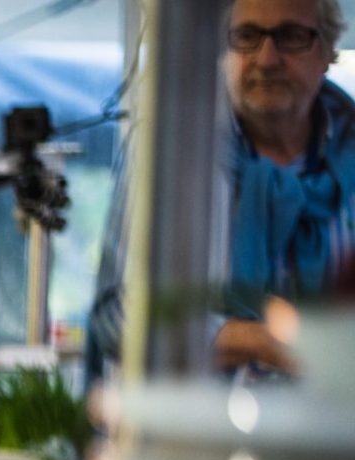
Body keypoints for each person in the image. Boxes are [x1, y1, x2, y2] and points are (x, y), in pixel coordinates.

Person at [89, 0, 353, 378]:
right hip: (197, 429)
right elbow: (117, 317)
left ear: (329, 50)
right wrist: (262, 342)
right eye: (245, 36)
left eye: (292, 37)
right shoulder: (172, 153)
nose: (267, 59)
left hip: (336, 429)